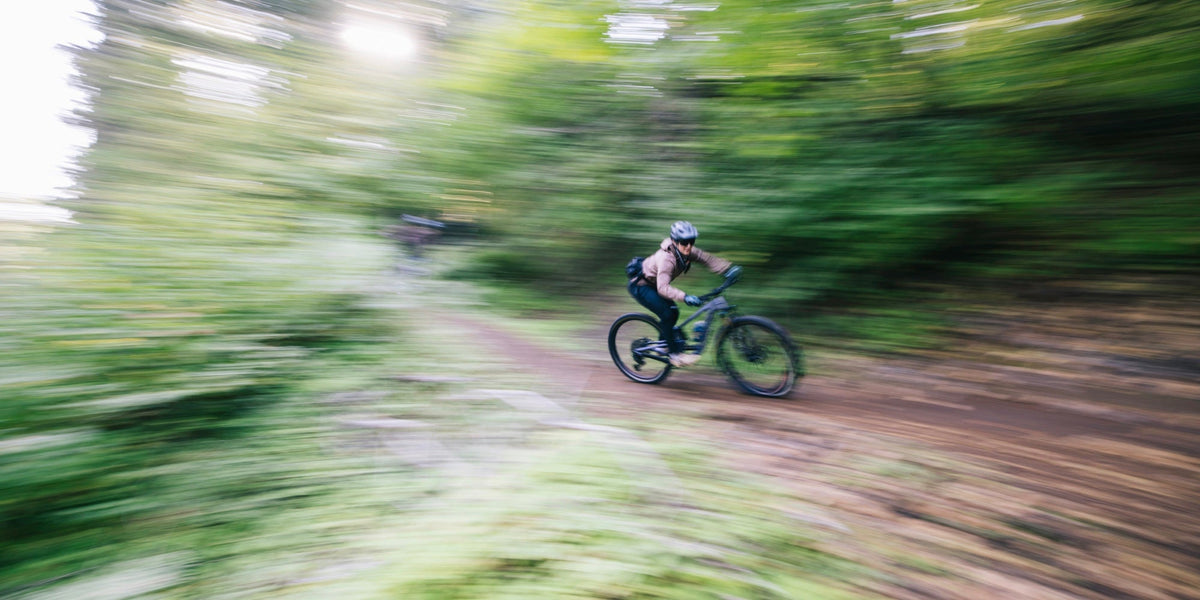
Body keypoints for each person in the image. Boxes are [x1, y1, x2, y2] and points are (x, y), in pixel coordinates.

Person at [628, 221, 742, 367]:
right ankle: (674, 354)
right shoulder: (666, 259)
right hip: (641, 286)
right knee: (668, 314)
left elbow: (707, 259)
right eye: (684, 242)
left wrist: (727, 270)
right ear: (675, 241)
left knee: (674, 312)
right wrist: (685, 297)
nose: (688, 246)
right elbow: (663, 288)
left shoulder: (687, 251)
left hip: (655, 284)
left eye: (691, 241)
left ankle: (665, 343)